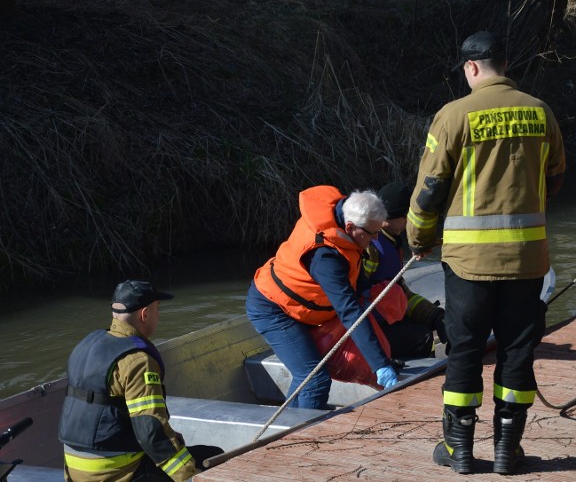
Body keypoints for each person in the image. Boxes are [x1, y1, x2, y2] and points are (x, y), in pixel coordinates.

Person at [407, 31, 566, 475]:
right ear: (503, 64)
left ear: (471, 68)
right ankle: (506, 450)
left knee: (464, 350)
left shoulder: (454, 115)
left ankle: (459, 451)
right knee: (517, 351)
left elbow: (430, 190)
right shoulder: (540, 111)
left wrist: (418, 240)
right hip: (528, 259)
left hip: (469, 264)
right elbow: (555, 176)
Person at [246, 186, 400, 409]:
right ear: (350, 227)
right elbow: (349, 312)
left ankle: (289, 428)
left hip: (302, 307)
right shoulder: (325, 257)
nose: (376, 239)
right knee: (314, 378)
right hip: (273, 308)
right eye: (372, 234)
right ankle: (302, 440)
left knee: (307, 378)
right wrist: (380, 365)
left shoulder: (346, 217)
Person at [59, 280, 222, 482]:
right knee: (213, 457)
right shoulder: (138, 361)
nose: (159, 315)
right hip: (116, 472)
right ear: (145, 314)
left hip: (74, 469)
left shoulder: (86, 345)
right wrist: (189, 476)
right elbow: (149, 430)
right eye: (157, 310)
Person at [363, 181, 447, 360]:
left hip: (384, 321)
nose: (409, 220)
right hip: (366, 331)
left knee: (428, 326)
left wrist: (434, 315)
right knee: (422, 336)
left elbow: (400, 293)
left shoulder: (391, 243)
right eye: (406, 215)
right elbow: (356, 295)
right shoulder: (370, 248)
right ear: (389, 218)